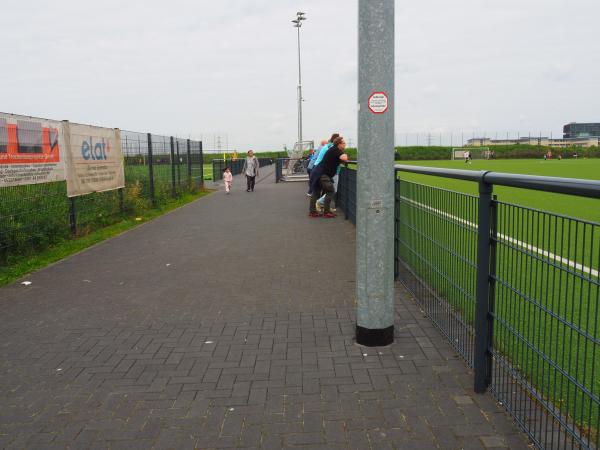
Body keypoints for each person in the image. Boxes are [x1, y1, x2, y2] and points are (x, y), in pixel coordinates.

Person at [309, 136, 348, 218]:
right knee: (330, 191)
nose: (345, 144)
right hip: (322, 174)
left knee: (316, 192)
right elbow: (344, 158)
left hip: (318, 172)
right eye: (344, 143)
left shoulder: (333, 149)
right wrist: (345, 154)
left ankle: (312, 212)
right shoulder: (336, 150)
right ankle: (326, 212)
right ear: (339, 144)